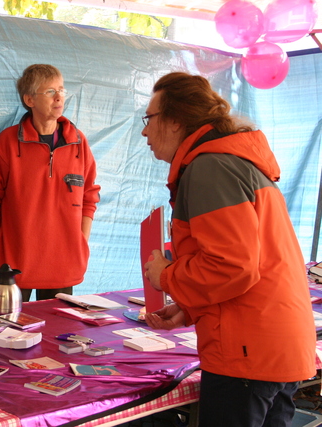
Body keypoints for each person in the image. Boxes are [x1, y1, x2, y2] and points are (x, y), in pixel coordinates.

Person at [141, 72, 316, 427]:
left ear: (175, 121)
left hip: (249, 353)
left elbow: (232, 265)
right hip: (273, 345)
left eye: (149, 119)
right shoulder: (230, 160)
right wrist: (189, 308)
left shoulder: (211, 167)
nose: (145, 131)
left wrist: (165, 275)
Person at [0, 64, 101, 302]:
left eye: (61, 90)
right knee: (5, 335)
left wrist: (80, 241)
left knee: (56, 335)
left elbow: (90, 196)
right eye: (50, 92)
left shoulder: (78, 143)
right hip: (14, 265)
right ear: (29, 99)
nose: (59, 96)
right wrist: (0, 246)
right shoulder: (7, 143)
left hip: (63, 265)